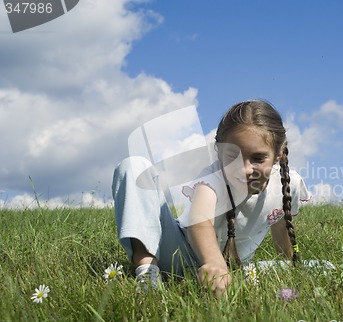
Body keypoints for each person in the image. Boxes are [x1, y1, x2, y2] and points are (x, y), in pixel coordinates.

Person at [112, 99, 311, 298]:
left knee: (323, 267)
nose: (245, 169)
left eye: (258, 158)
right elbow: (200, 220)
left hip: (236, 269)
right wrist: (213, 262)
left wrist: (292, 268)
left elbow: (282, 234)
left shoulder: (288, 183)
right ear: (219, 150)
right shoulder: (213, 177)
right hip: (178, 253)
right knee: (134, 166)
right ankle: (149, 276)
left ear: (278, 153)